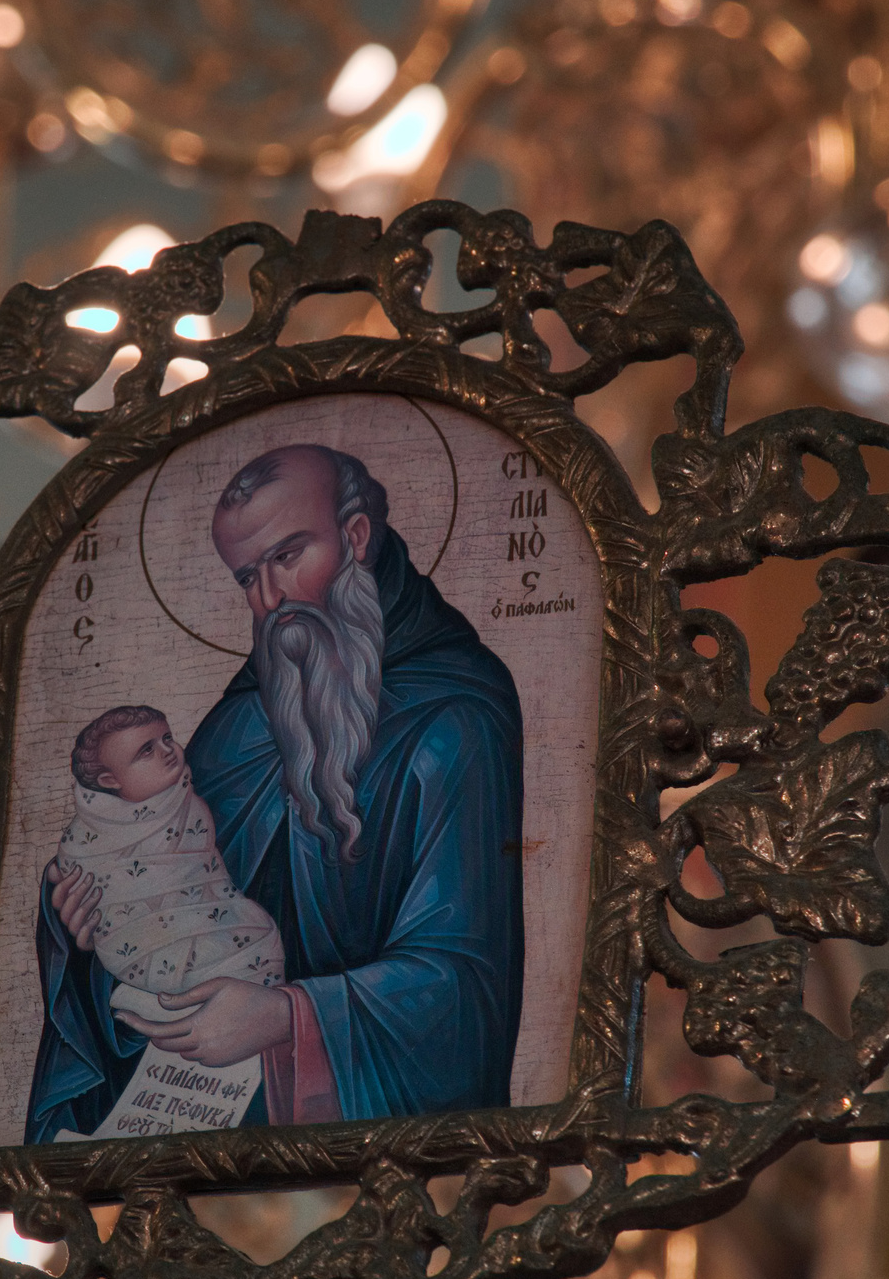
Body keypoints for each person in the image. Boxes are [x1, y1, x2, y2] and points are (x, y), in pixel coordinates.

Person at [27, 444, 525, 1141]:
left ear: (356, 537)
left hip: (359, 1146)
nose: (269, 599)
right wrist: (83, 923)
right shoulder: (238, 725)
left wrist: (288, 1017)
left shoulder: (454, 719)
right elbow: (169, 897)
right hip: (199, 1112)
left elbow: (464, 984)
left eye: (288, 556)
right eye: (247, 577)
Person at [47, 704, 285, 1026]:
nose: (168, 750)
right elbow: (105, 901)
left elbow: (210, 882)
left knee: (257, 939)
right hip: (144, 949)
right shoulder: (88, 839)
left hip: (211, 920)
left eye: (167, 738)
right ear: (109, 779)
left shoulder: (189, 806)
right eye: (147, 750)